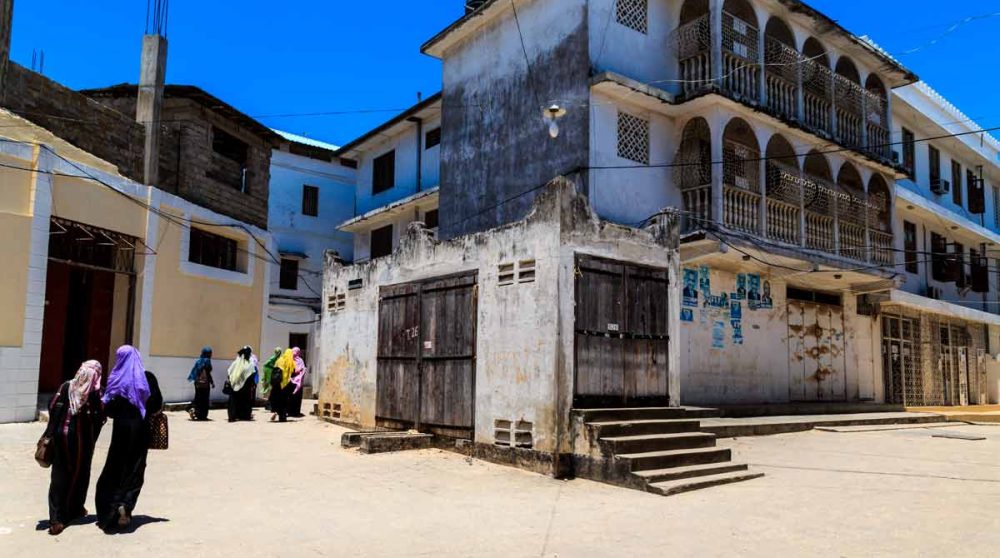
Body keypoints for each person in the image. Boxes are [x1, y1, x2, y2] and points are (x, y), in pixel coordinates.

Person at [95, 345, 163, 533]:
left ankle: (110, 509)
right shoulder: (148, 378)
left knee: (115, 468)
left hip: (120, 432)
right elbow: (156, 404)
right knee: (135, 468)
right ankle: (126, 504)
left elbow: (109, 410)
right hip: (140, 431)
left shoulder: (116, 379)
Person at [45, 360, 105, 536]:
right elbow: (101, 415)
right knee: (80, 474)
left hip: (60, 437)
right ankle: (73, 509)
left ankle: (56, 519)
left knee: (59, 476)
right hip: (82, 441)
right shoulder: (95, 393)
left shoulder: (66, 386)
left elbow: (51, 405)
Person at [226, 346, 256, 422]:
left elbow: (229, 373)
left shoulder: (235, 362)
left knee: (234, 400)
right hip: (245, 387)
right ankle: (244, 415)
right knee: (245, 401)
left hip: (234, 385)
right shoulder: (249, 364)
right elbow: (252, 375)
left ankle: (233, 416)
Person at [186, 347, 214, 421]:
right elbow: (208, 373)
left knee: (198, 398)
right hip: (205, 384)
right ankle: (202, 415)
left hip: (197, 383)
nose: (211, 355)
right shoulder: (207, 361)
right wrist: (212, 382)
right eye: (210, 353)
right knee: (204, 400)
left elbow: (195, 372)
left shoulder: (198, 361)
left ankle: (196, 413)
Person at [271, 348, 296, 422]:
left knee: (279, 399)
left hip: (279, 383)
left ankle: (279, 413)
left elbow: (274, 369)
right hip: (286, 384)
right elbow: (293, 373)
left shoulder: (280, 360)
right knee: (285, 400)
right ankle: (283, 416)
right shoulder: (291, 362)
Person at [287, 347, 308, 418]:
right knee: (297, 398)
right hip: (298, 382)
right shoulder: (300, 360)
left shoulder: (289, 359)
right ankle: (296, 412)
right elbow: (303, 369)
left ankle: (289, 411)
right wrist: (299, 371)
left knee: (290, 396)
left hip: (290, 381)